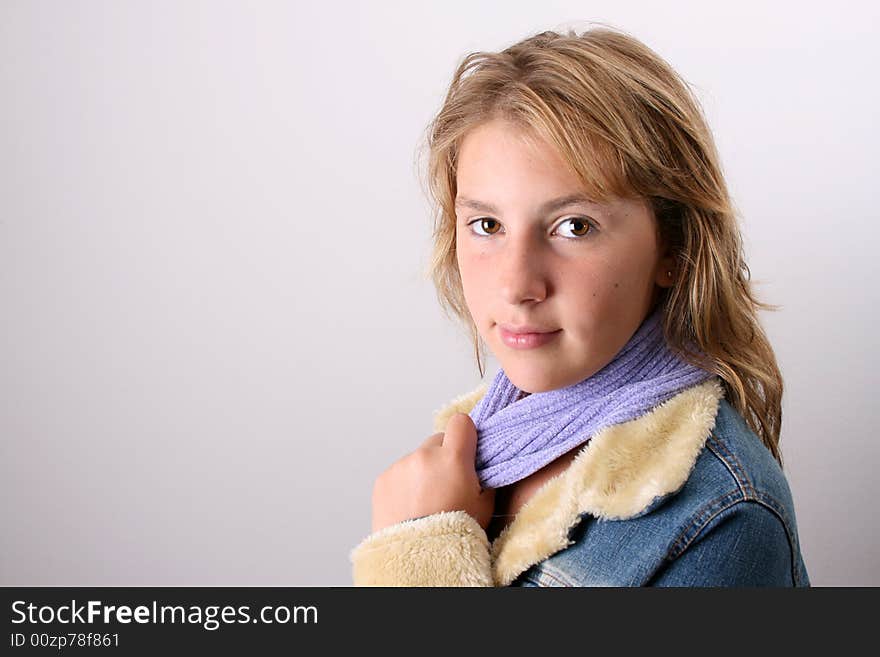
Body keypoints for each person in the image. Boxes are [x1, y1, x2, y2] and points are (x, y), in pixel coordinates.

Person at [349, 26, 810, 587]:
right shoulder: (483, 445)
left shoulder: (724, 519)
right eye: (486, 225)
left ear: (674, 247)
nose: (518, 285)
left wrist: (415, 552)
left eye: (574, 226)